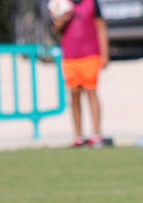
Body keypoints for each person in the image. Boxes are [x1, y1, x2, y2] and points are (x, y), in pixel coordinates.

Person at [50, 0, 109, 148]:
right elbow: (53, 32)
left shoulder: (91, 3)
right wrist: (62, 22)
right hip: (70, 56)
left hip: (90, 54)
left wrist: (105, 53)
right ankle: (78, 136)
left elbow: (101, 26)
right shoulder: (61, 5)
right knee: (74, 94)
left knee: (91, 92)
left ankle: (96, 135)